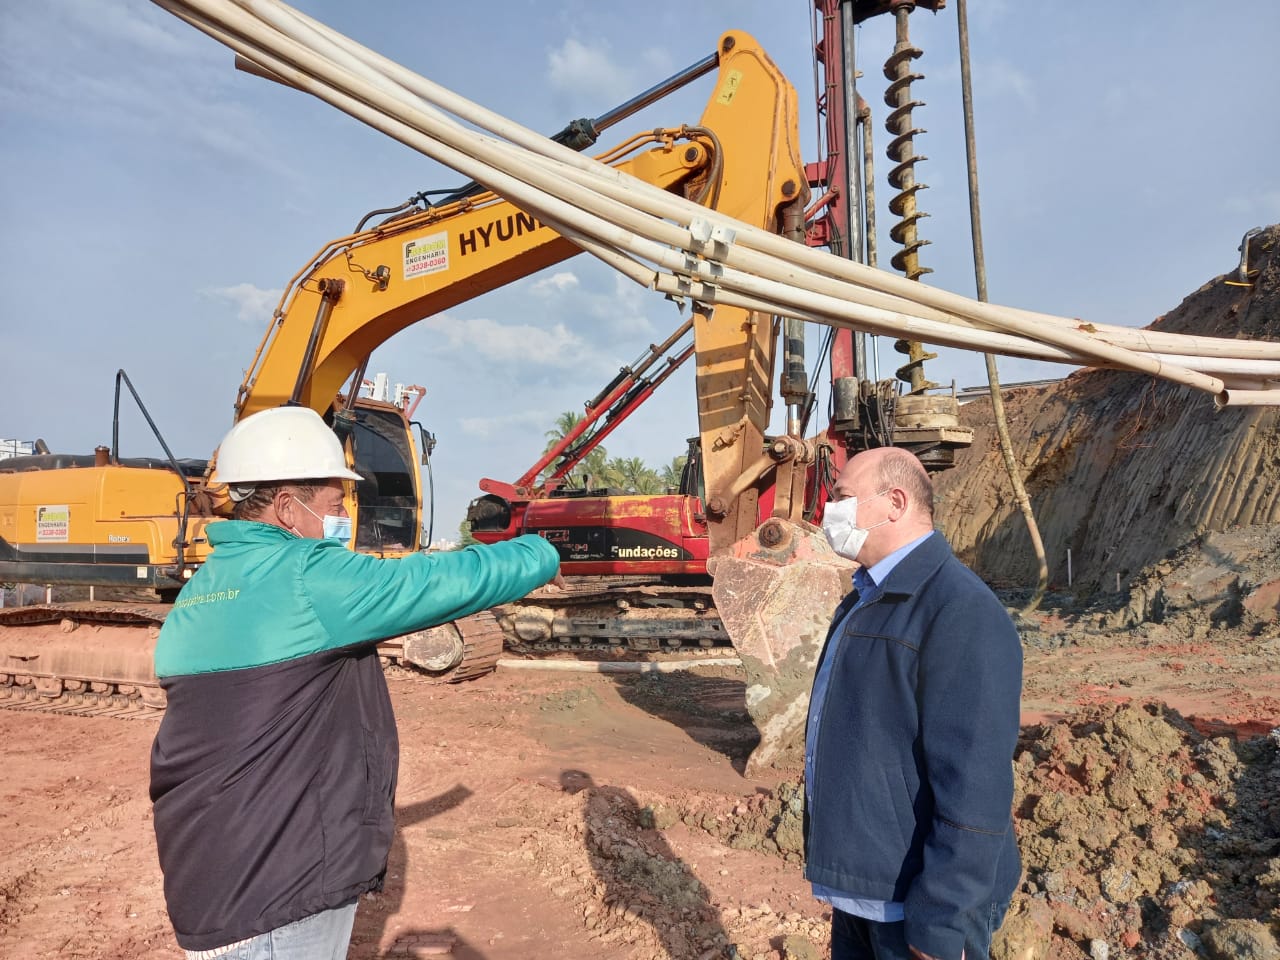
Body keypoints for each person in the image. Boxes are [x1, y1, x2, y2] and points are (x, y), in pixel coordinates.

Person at [149, 406, 561, 959]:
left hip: (212, 871)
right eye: (332, 502)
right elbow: (439, 580)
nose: (340, 514)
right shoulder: (306, 577)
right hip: (279, 888)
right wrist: (542, 548)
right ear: (288, 507)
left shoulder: (202, 590)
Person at [805, 446, 1023, 960]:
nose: (828, 512)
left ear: (894, 503)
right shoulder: (866, 600)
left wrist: (944, 919)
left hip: (917, 904)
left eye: (841, 497)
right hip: (869, 889)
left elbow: (975, 785)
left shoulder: (960, 611)